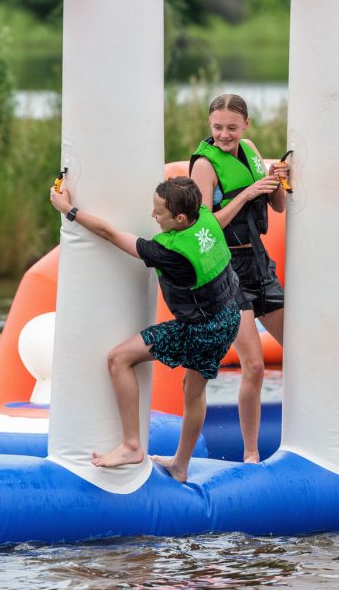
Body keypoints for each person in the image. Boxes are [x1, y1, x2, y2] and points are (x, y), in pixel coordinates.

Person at [49, 176, 241, 483]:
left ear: (179, 218)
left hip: (200, 328)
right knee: (193, 393)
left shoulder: (171, 254)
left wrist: (68, 210)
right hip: (229, 317)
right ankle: (180, 464)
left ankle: (131, 445)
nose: (153, 216)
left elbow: (110, 234)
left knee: (119, 359)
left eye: (159, 212)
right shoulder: (203, 214)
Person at [188, 93, 287, 464]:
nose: (224, 135)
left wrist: (277, 181)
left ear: (246, 125)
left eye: (232, 127)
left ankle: (333, 429)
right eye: (217, 128)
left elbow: (277, 207)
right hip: (227, 272)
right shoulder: (204, 166)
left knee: (306, 352)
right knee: (256, 365)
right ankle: (250, 453)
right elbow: (205, 228)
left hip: (260, 266)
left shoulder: (249, 150)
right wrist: (246, 194)